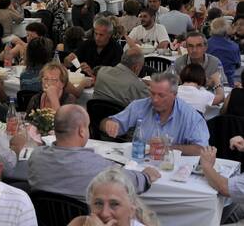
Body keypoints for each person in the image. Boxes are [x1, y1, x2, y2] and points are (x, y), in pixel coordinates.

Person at [29, 105, 158, 202]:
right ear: (81, 131)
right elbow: (134, 184)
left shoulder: (36, 157)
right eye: (87, 126)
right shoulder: (98, 166)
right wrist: (146, 176)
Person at [100, 72, 209, 155]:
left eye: (161, 95)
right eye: (152, 94)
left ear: (174, 94)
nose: (155, 100)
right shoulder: (140, 106)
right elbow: (105, 123)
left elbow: (201, 149)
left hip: (172, 166)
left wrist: (167, 148)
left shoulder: (190, 115)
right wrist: (109, 124)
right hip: (140, 162)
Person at [68, 168, 160, 226]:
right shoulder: (80, 223)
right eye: (98, 203)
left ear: (131, 211)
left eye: (114, 204)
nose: (105, 213)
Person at [174, 31, 225, 103]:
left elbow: (225, 85)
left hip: (210, 101)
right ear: (186, 47)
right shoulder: (179, 63)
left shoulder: (215, 63)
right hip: (184, 102)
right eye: (190, 46)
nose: (194, 50)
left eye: (199, 45)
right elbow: (168, 85)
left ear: (205, 47)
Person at [207, 17, 241, 86]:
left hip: (209, 82)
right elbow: (238, 65)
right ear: (226, 30)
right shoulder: (234, 46)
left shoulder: (205, 44)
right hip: (228, 82)